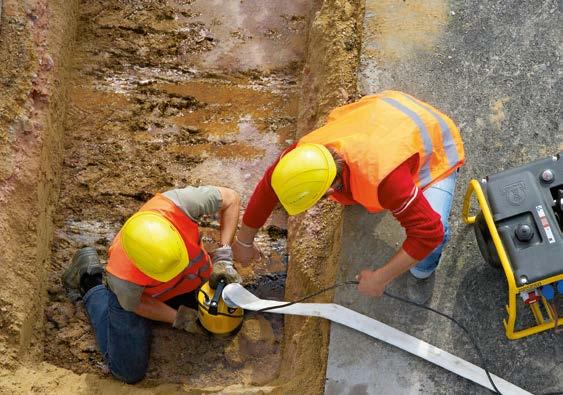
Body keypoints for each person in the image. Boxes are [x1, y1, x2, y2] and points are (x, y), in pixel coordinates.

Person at [232, 91, 464, 304]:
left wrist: (381, 278)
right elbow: (269, 185)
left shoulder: (384, 180)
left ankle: (424, 271)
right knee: (369, 193)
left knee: (433, 239)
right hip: (389, 112)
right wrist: (244, 241)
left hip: (436, 142)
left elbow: (428, 233)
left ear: (330, 192)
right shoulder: (303, 155)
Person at [62, 185, 242, 384]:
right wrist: (181, 319)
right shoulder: (122, 276)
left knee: (219, 311)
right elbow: (137, 304)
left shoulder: (177, 205)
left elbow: (231, 199)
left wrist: (224, 257)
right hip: (141, 299)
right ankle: (90, 280)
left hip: (190, 280)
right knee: (128, 371)